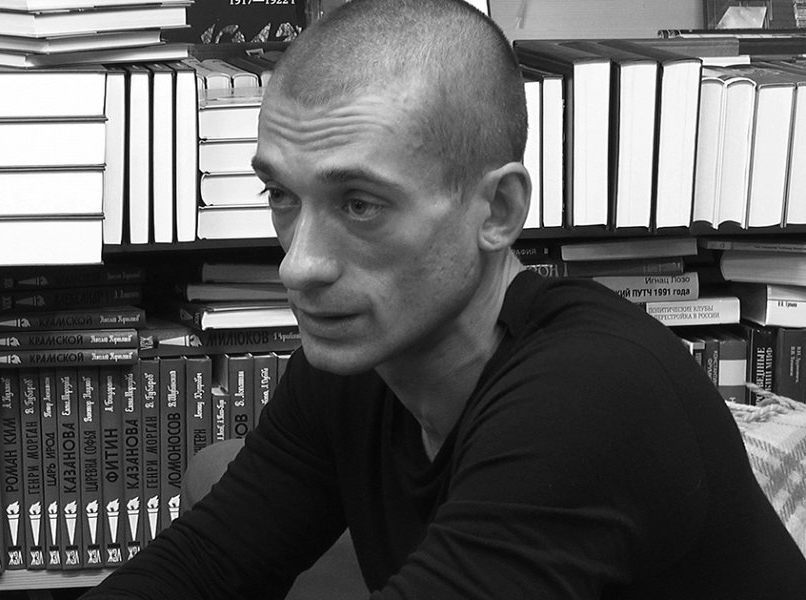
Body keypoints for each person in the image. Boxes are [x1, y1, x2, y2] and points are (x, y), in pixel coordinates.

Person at [81, 0, 806, 597]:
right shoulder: (360, 361)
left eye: (360, 204)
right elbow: (207, 563)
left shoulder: (592, 393)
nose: (299, 266)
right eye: (280, 195)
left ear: (498, 211)